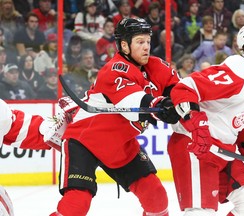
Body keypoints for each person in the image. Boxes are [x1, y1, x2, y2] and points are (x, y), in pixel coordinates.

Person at [50, 17, 180, 216]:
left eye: (148, 41)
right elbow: (133, 102)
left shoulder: (157, 66)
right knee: (76, 203)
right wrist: (159, 105)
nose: (146, 47)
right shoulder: (113, 69)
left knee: (156, 197)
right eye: (140, 42)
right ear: (124, 45)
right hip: (85, 142)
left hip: (121, 146)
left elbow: (180, 91)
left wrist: (183, 103)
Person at [168, 23, 244, 216]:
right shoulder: (238, 72)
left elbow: (243, 125)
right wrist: (197, 125)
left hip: (221, 150)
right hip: (194, 146)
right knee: (200, 211)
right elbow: (185, 88)